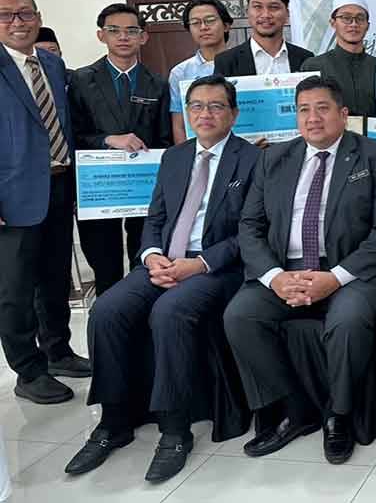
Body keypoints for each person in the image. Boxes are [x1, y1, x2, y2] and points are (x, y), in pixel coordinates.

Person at [65, 75, 259, 483]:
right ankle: (114, 422)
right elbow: (154, 218)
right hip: (163, 261)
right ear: (187, 113)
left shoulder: (254, 160)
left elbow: (251, 231)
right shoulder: (174, 156)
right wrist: (152, 256)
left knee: (170, 313)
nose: (205, 114)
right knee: (106, 310)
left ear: (234, 114)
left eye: (216, 106)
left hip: (216, 268)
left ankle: (174, 429)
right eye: (197, 106)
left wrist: (200, 264)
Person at [224, 76, 376, 464]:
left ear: (344, 114)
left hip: (354, 272)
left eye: (322, 108)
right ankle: (295, 408)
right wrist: (275, 277)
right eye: (303, 110)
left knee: (347, 320)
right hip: (285, 268)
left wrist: (334, 278)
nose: (312, 118)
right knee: (240, 315)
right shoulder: (274, 159)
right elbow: (250, 226)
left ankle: (338, 415)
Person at [0, 0, 90, 405]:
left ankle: (57, 351)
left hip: (58, 185)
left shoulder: (51, 64)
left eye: (25, 14)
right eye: (6, 16)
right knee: (15, 289)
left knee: (55, 278)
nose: (17, 23)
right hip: (11, 197)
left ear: (38, 16)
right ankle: (28, 369)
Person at [70, 3, 172, 295]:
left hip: (145, 191)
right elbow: (74, 135)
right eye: (114, 31)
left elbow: (165, 140)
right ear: (102, 35)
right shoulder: (81, 80)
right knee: (106, 269)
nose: (123, 37)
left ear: (144, 37)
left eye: (131, 31)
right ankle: (109, 328)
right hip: (100, 189)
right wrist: (108, 139)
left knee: (147, 263)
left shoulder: (158, 84)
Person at [300, 0, 376, 118]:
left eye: (360, 18)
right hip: (331, 138)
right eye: (346, 18)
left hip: (373, 137)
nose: (353, 24)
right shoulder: (313, 66)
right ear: (333, 23)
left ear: (367, 26)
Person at [213, 0, 313, 76]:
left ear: (287, 14)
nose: (266, 15)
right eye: (257, 7)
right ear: (247, 12)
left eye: (274, 7)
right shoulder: (226, 62)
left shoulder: (306, 59)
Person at [168, 0, 234, 144]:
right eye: (196, 23)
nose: (203, 27)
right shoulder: (180, 72)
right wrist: (185, 157)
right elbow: (179, 125)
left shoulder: (244, 61)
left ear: (226, 26)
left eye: (210, 20)